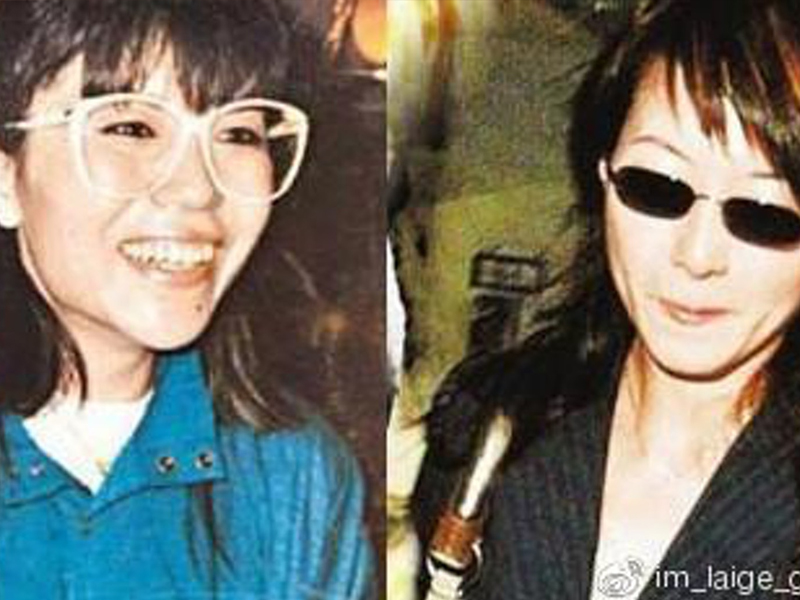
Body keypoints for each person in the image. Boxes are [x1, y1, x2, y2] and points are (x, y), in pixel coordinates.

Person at [413, 1, 800, 598]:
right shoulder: (490, 429)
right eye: (657, 186)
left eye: (764, 213)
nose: (697, 256)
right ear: (603, 175)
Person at [0, 1, 374, 598]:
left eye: (239, 133)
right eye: (131, 128)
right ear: (6, 178)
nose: (199, 188)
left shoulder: (294, 478)